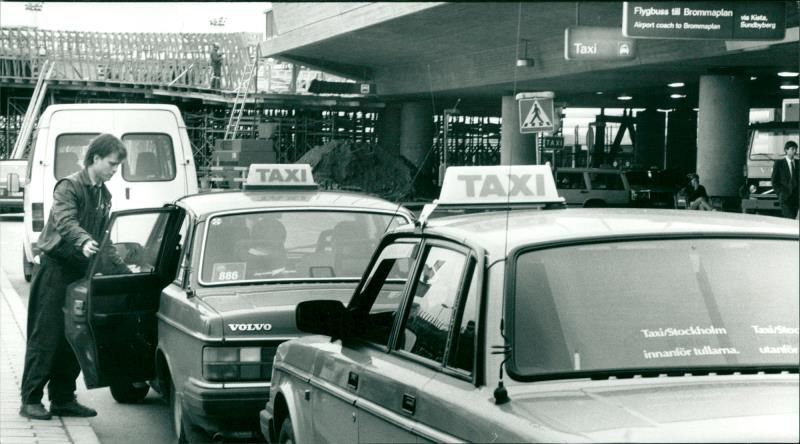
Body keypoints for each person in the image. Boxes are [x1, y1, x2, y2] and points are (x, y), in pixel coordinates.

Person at [19, 134, 128, 420]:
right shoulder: (69, 186)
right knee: (46, 336)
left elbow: (104, 240)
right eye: (112, 164)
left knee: (73, 337)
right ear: (95, 158)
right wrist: (83, 241)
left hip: (80, 273)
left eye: (117, 165)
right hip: (55, 270)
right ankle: (30, 399)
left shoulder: (104, 195)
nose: (115, 170)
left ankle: (63, 398)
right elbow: (65, 221)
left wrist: (124, 272)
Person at [771, 140, 799, 219]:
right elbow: (774, 181)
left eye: (796, 149)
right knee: (789, 218)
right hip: (785, 197)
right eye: (792, 149)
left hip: (796, 198)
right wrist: (780, 193)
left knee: (793, 218)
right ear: (786, 150)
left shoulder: (798, 163)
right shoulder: (779, 163)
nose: (795, 151)